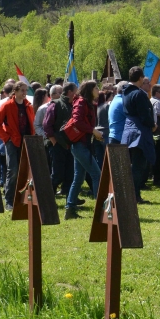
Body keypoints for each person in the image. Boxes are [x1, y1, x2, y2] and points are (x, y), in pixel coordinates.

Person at [63, 80, 103, 220]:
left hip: (82, 144)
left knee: (78, 178)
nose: (98, 90)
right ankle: (101, 210)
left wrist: (92, 133)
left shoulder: (87, 103)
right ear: (89, 90)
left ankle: (70, 209)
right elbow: (77, 121)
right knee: (97, 175)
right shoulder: (81, 102)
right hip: (79, 145)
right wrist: (93, 131)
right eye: (96, 88)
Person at [0, 81, 35, 210]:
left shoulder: (28, 106)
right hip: (12, 141)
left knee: (26, 170)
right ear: (15, 91)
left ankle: (24, 197)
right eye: (22, 90)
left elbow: (32, 124)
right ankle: (9, 200)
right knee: (13, 170)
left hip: (27, 141)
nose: (24, 93)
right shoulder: (7, 105)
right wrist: (6, 138)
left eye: (25, 90)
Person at [121, 67, 156, 201]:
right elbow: (144, 115)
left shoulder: (125, 91)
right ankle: (134, 195)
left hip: (128, 130)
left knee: (134, 165)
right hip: (139, 131)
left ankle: (132, 193)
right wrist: (153, 125)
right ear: (141, 78)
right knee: (139, 166)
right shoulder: (139, 94)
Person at [43, 83, 76, 197]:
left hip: (69, 144)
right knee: (57, 174)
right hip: (56, 144)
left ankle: (68, 197)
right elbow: (47, 125)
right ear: (70, 92)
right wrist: (54, 142)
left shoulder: (73, 105)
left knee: (69, 173)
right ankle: (48, 197)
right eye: (75, 91)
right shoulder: (55, 104)